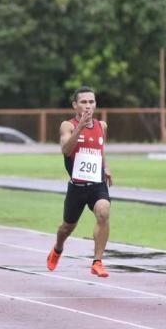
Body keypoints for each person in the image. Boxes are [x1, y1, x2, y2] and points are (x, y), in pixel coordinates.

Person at [46, 86, 113, 278]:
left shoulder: (102, 126)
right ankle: (58, 248)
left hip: (97, 184)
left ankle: (97, 262)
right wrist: (80, 128)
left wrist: (105, 167)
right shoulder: (67, 126)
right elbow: (66, 150)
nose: (88, 106)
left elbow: (100, 149)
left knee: (103, 211)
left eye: (91, 102)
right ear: (75, 105)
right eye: (84, 102)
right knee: (67, 227)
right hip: (77, 187)